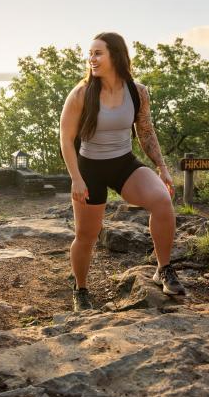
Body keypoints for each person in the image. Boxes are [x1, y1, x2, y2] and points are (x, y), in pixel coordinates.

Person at [59, 32, 185, 311]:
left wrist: (161, 168)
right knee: (87, 235)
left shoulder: (137, 91)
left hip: (123, 163)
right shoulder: (81, 93)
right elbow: (65, 139)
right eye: (90, 53)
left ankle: (163, 268)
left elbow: (146, 131)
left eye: (98, 53)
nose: (91, 58)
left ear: (116, 55)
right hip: (89, 168)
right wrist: (76, 179)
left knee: (162, 201)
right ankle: (80, 289)